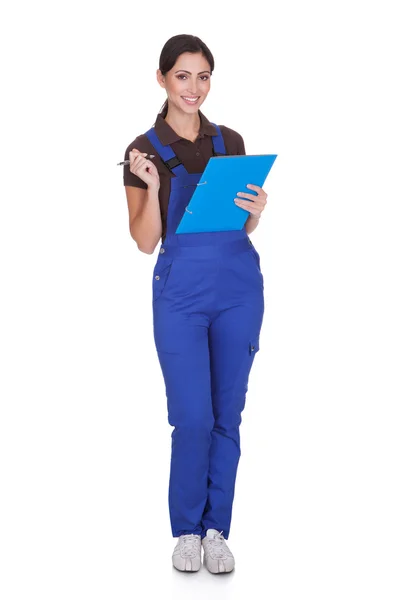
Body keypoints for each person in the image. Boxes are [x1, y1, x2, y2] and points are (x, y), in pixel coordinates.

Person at [123, 34, 268, 574]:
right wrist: (151, 183)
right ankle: (185, 529)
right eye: (183, 75)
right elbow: (143, 241)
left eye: (203, 76)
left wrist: (256, 211)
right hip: (180, 293)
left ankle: (216, 529)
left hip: (237, 289)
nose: (194, 87)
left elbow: (242, 223)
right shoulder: (143, 150)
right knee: (192, 417)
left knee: (227, 413)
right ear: (161, 78)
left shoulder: (230, 141)